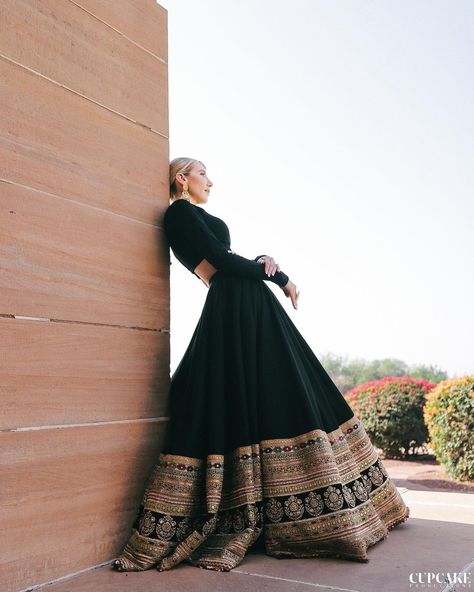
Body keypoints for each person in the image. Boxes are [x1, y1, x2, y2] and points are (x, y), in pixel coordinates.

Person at [112, 157, 409, 573]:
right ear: (182, 179)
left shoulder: (195, 215)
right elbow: (218, 262)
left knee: (281, 387)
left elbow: (228, 258)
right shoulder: (179, 212)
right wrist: (278, 275)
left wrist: (259, 260)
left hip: (243, 306)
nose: (210, 181)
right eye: (202, 173)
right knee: (268, 390)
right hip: (232, 306)